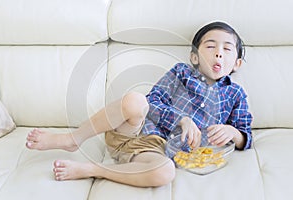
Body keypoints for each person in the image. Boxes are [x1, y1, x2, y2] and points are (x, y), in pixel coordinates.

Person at [26, 21, 252, 187]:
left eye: (227, 49)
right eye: (211, 47)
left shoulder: (235, 94)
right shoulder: (181, 73)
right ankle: (73, 139)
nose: (219, 55)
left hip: (155, 152)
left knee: (165, 173)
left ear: (237, 63)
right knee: (136, 100)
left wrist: (232, 132)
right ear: (194, 57)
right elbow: (152, 101)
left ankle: (94, 170)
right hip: (134, 132)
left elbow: (245, 136)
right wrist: (181, 119)